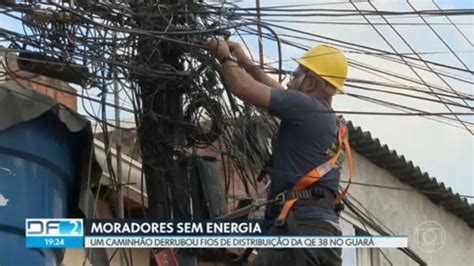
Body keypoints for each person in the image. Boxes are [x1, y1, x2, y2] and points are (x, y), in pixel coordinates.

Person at [207, 39, 348, 266]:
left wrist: (224, 57)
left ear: (310, 83)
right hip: (326, 237)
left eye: (295, 74)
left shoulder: (307, 108)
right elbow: (278, 91)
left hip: (299, 230)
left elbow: (242, 87)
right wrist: (245, 61)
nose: (289, 82)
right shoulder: (331, 121)